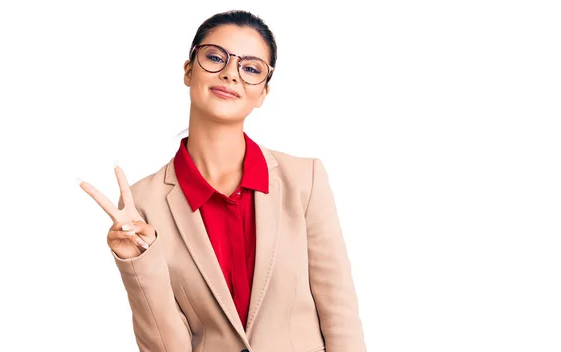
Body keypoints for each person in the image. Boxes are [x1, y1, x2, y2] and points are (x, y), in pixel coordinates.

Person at [79, 10, 366, 352]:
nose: (231, 73)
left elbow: (340, 315)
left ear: (263, 93)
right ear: (189, 70)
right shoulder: (143, 203)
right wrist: (136, 264)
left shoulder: (305, 181)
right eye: (215, 57)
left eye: (251, 68)